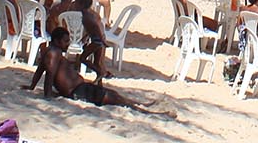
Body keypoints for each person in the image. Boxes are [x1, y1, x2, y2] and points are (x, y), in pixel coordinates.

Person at [33, 27, 175, 115]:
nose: (68, 43)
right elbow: (49, 75)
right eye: (65, 41)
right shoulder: (54, 54)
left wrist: (32, 86)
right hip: (78, 92)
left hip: (80, 88)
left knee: (113, 95)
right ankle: (147, 112)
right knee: (113, 98)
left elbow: (40, 70)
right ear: (57, 41)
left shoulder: (52, 52)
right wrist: (48, 95)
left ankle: (142, 105)